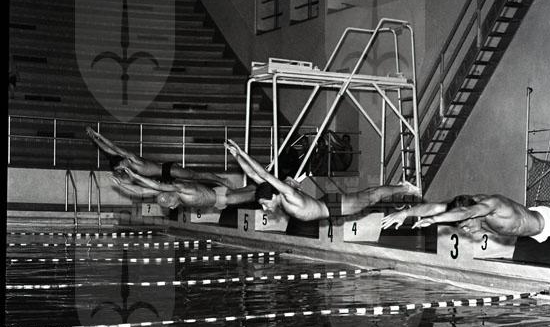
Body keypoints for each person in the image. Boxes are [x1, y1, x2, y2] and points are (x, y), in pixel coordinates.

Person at [225, 138, 421, 222]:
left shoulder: (288, 194)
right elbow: (254, 176)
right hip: (327, 204)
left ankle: (405, 188)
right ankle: (402, 189)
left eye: (265, 204)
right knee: (369, 195)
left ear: (274, 195)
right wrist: (237, 157)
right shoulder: (276, 194)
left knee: (372, 196)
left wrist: (243, 152)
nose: (265, 208)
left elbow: (265, 174)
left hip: (332, 208)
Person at [380, 193, 550, 245]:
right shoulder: (469, 204)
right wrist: (406, 212)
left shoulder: (490, 205)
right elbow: (436, 206)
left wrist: (434, 221)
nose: (467, 229)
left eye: (467, 224)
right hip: (531, 225)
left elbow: (465, 214)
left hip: (546, 224)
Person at [86, 126, 234, 188]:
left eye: (120, 168)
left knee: (196, 176)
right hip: (163, 176)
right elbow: (108, 151)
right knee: (193, 183)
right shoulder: (127, 165)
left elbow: (113, 148)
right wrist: (93, 139)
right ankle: (218, 184)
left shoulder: (132, 159)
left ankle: (221, 180)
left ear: (122, 162)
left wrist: (99, 135)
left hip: (168, 170)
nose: (121, 170)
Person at [114, 167, 256, 210]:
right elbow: (142, 191)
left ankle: (265, 178)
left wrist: (136, 176)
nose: (172, 208)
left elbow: (157, 185)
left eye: (169, 205)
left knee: (255, 195)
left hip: (222, 197)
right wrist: (122, 185)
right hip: (217, 199)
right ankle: (260, 181)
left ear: (171, 197)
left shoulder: (180, 188)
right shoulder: (171, 193)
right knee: (252, 190)